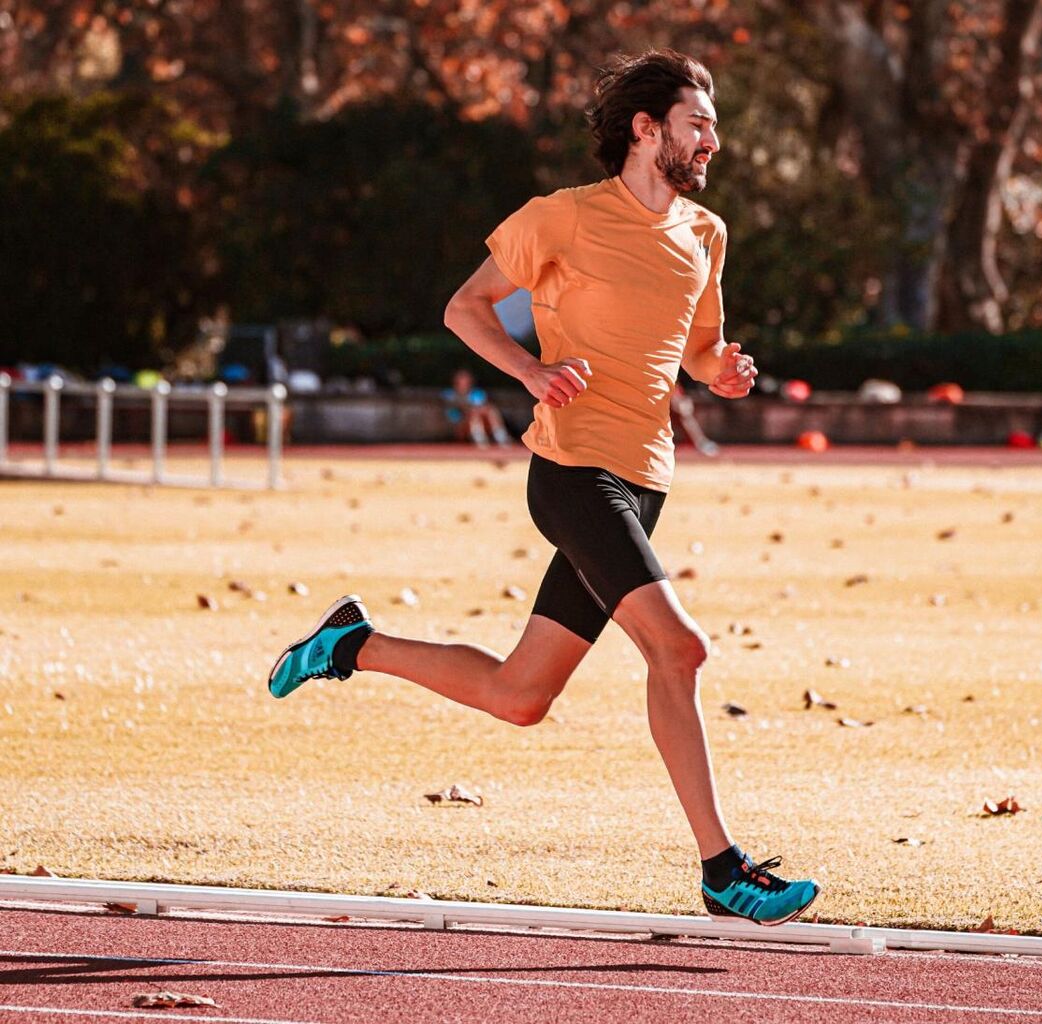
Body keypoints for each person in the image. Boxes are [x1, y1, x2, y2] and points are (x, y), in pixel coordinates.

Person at [268, 49, 819, 927]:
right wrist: (529, 371)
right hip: (572, 473)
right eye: (698, 122)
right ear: (647, 130)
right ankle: (723, 869)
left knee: (520, 697)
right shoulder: (561, 218)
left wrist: (726, 373)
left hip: (645, 481)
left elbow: (701, 348)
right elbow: (465, 307)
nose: (713, 138)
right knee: (680, 651)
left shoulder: (705, 234)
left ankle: (351, 645)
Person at [442, 367, 512, 446]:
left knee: (491, 410)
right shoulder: (450, 395)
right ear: (456, 382)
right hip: (459, 426)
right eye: (462, 380)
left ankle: (501, 437)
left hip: (480, 422)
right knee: (474, 414)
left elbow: (482, 407)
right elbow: (452, 415)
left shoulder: (477, 393)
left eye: (466, 380)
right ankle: (480, 439)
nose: (464, 383)